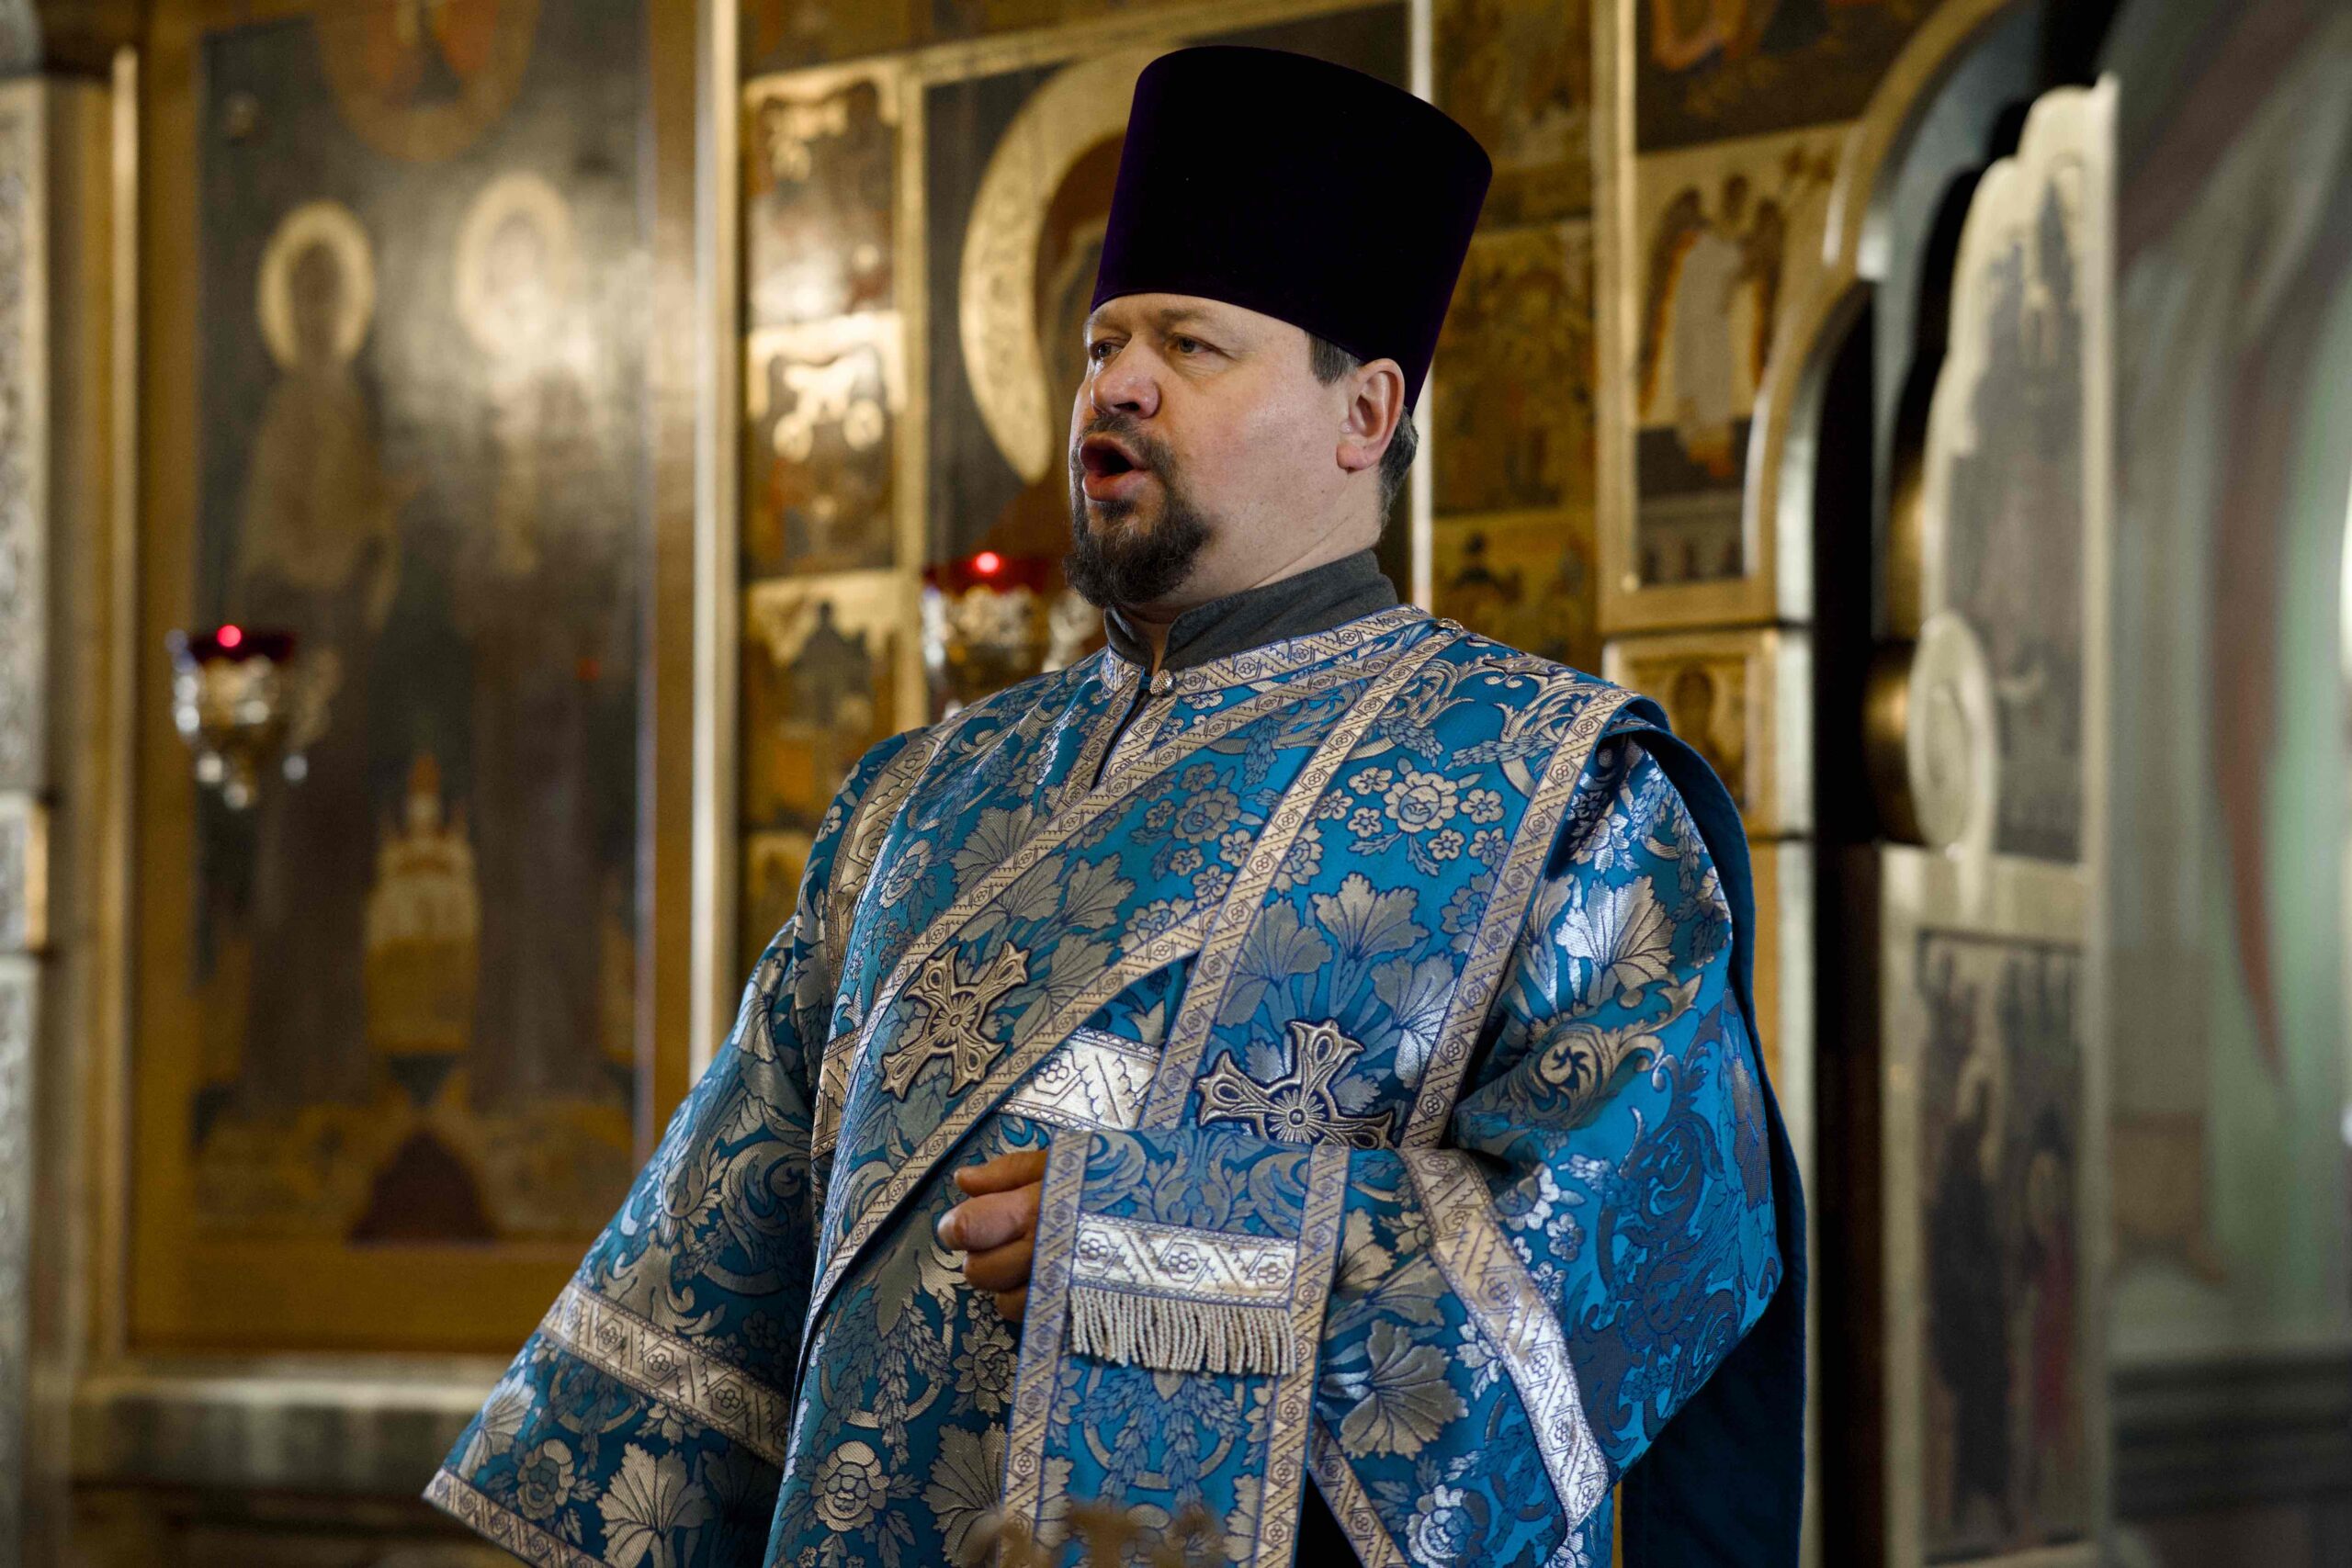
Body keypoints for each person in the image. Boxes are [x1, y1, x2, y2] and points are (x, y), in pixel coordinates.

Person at [427, 45, 1804, 1568]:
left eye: (1190, 346)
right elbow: (711, 1290)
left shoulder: (1559, 795)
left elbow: (1652, 1241)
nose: (1117, 384)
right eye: (1102, 343)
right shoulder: (913, 801)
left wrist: (1156, 1243)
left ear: (1364, 413)